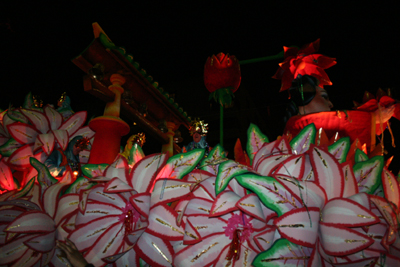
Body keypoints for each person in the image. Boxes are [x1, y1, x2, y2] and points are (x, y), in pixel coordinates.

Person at [275, 40, 395, 152]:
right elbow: (333, 121)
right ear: (303, 99)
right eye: (323, 97)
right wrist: (371, 118)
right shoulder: (297, 124)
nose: (331, 104)